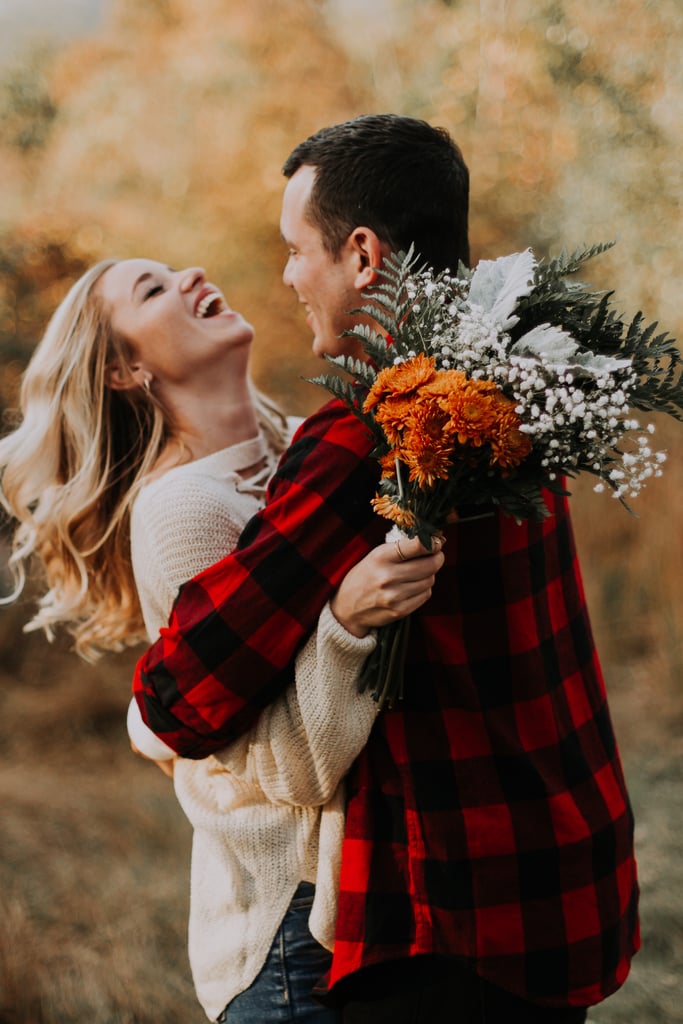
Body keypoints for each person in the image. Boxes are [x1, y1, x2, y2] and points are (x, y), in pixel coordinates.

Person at [131, 115, 640, 1024]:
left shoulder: (373, 432)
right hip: (568, 863)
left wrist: (142, 712)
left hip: (451, 914)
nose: (287, 276)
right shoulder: (520, 380)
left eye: (297, 251)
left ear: (363, 255)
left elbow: (182, 695)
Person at [0, 255, 444, 1023]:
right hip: (289, 937)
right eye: (153, 289)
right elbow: (286, 771)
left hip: (375, 902)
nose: (192, 275)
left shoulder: (300, 443)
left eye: (176, 270)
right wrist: (346, 622)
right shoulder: (183, 511)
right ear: (122, 369)